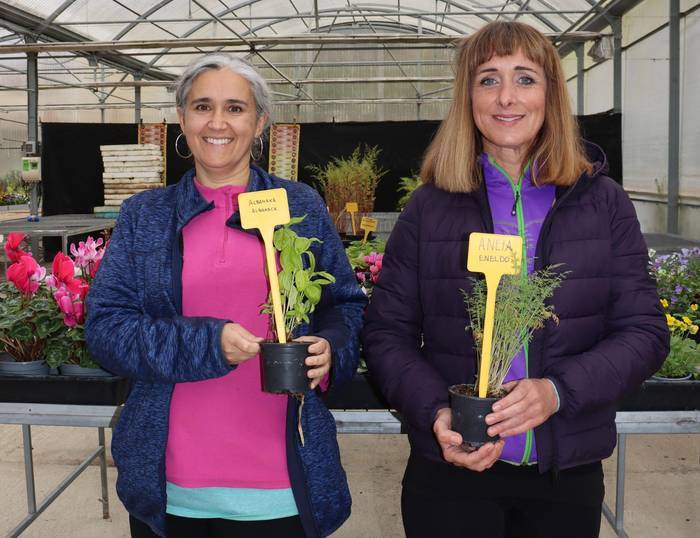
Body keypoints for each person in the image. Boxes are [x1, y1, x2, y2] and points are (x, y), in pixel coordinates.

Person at [362, 21, 668, 538]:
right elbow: (385, 334)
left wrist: (557, 390)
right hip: (451, 469)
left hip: (563, 470)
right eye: (488, 79)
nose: (506, 97)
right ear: (468, 97)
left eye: (525, 78)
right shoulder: (429, 207)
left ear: (551, 93)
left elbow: (645, 332)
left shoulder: (602, 202)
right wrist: (436, 412)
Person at [85, 53, 366, 538]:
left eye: (236, 108)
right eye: (203, 107)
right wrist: (207, 344)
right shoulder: (145, 215)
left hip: (283, 483)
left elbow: (346, 305)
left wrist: (331, 349)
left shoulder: (299, 205)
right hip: (172, 485)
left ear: (259, 123)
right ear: (182, 119)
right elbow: (107, 329)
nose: (218, 123)